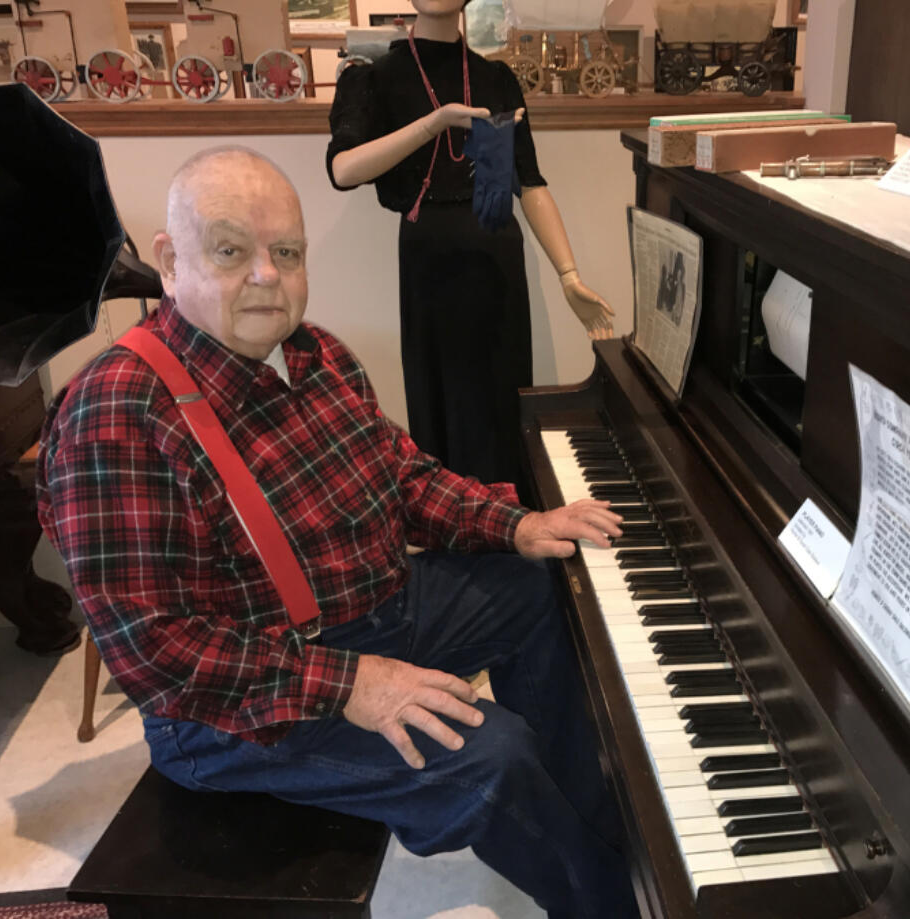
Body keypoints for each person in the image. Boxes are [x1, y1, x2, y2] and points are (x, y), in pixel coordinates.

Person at [35, 146, 638, 919]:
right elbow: (153, 650)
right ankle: (611, 902)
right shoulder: (114, 414)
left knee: (540, 585)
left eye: (286, 252)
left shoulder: (314, 355)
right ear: (167, 259)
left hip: (370, 615)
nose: (266, 275)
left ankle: (603, 826)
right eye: (230, 250)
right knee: (490, 755)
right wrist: (353, 682)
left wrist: (517, 523)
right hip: (229, 709)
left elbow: (403, 478)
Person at [326, 0, 614, 490]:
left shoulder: (496, 77)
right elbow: (343, 169)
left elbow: (531, 182)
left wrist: (569, 274)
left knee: (503, 400)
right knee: (441, 399)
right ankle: (453, 535)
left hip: (498, 260)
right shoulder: (372, 76)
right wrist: (435, 123)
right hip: (429, 264)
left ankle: (512, 529)